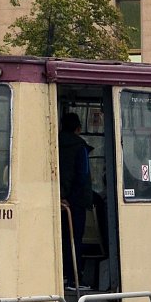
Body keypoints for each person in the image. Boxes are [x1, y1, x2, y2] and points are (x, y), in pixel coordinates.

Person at [58, 112, 93, 286]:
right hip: (75, 203)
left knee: (61, 239)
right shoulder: (80, 147)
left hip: (58, 200)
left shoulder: (53, 143)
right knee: (75, 239)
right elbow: (83, 176)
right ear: (78, 128)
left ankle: (62, 275)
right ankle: (74, 278)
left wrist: (60, 195)